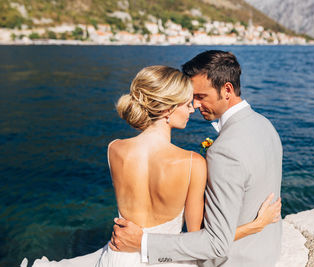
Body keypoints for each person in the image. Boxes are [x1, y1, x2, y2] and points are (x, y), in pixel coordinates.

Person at [23, 65, 281, 267]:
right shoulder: (192, 163)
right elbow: (200, 239)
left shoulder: (114, 149)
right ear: (168, 109)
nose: (192, 108)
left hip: (118, 258)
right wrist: (254, 226)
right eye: (186, 102)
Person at [111, 51, 283, 267]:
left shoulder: (224, 151)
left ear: (227, 90)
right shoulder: (265, 125)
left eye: (201, 96)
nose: (195, 105)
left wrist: (144, 243)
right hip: (268, 252)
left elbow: (216, 243)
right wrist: (257, 225)